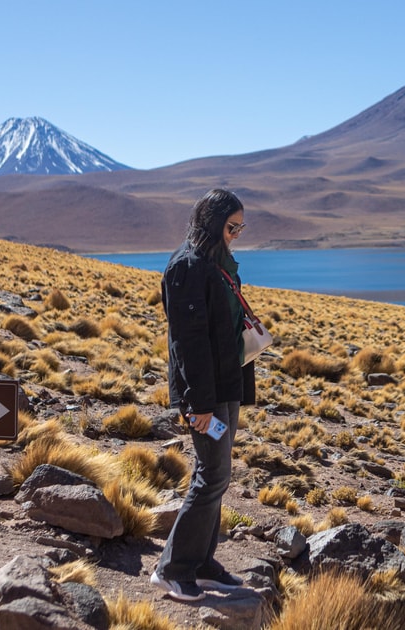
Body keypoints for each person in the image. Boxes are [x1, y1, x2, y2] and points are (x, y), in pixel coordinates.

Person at [151, 188, 256, 602]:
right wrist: (197, 405)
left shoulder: (216, 263)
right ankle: (173, 569)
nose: (236, 235)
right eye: (231, 227)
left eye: (240, 228)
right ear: (212, 223)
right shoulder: (187, 267)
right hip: (205, 394)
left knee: (217, 475)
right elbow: (188, 343)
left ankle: (203, 561)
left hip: (226, 384)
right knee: (211, 475)